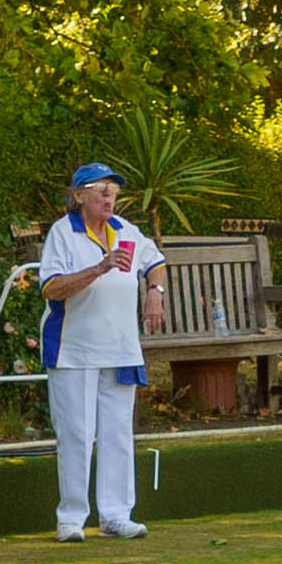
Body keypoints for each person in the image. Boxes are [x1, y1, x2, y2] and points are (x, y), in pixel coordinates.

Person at [36, 161, 166, 542]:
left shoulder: (127, 230)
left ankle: (116, 515)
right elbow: (51, 288)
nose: (108, 194)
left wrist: (154, 295)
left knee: (117, 434)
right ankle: (71, 520)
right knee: (76, 433)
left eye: (113, 187)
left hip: (122, 347)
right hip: (73, 349)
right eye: (99, 187)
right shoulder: (63, 233)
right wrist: (100, 267)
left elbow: (155, 263)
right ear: (79, 196)